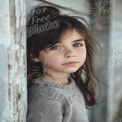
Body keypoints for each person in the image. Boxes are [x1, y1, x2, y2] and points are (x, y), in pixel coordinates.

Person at [26, 5, 101, 122]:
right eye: (56, 47)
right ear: (35, 56)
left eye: (77, 44)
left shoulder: (69, 82)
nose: (70, 53)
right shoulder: (48, 98)